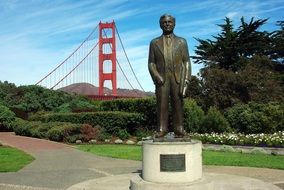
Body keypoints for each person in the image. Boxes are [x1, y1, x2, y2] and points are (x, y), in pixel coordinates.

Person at [148, 14, 191, 138]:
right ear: (160, 24)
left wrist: (186, 81)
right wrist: (156, 76)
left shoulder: (182, 42)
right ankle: (162, 129)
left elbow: (186, 62)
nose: (167, 24)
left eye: (170, 22)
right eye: (164, 22)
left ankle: (179, 129)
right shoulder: (154, 43)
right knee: (161, 105)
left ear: (174, 24)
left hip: (177, 79)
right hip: (162, 79)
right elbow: (151, 63)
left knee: (178, 105)